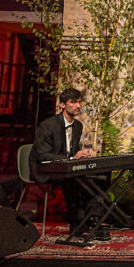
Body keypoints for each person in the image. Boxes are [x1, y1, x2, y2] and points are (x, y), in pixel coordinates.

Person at [29, 88, 107, 239]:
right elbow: (42, 155)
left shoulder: (78, 126)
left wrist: (83, 154)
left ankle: (91, 220)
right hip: (45, 169)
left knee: (101, 176)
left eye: (79, 102)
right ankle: (77, 225)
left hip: (65, 168)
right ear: (62, 105)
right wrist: (71, 159)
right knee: (74, 180)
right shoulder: (47, 125)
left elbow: (72, 152)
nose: (78, 106)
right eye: (73, 102)